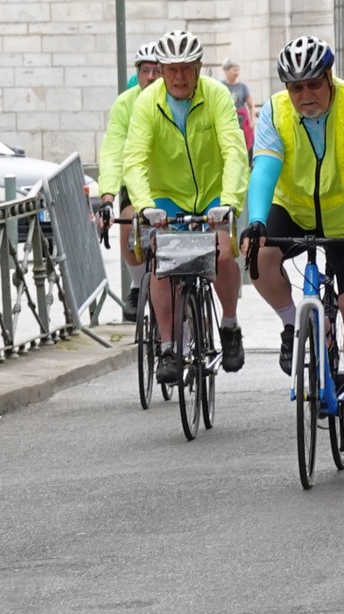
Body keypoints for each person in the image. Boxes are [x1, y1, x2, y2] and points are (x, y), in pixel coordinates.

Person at [239, 36, 344, 450]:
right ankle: (293, 325)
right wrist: (255, 220)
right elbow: (264, 167)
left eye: (313, 84)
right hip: (296, 206)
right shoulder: (274, 110)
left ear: (329, 77)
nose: (305, 95)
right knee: (258, 254)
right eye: (295, 87)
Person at [122, 29, 249, 381]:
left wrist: (229, 201)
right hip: (166, 196)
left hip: (213, 193)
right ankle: (168, 348)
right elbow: (134, 158)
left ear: (199, 68)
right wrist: (145, 205)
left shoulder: (217, 95)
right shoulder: (147, 103)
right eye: (171, 69)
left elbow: (234, 151)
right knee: (162, 263)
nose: (179, 77)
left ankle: (229, 324)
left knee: (222, 253)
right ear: (161, 71)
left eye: (186, 69)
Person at [96, 42, 162, 322]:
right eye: (145, 71)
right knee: (129, 224)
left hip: (172, 181)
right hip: (136, 179)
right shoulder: (125, 103)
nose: (150, 77)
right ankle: (137, 284)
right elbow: (113, 150)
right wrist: (107, 198)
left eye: (157, 71)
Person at [221, 58, 255, 153]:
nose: (237, 72)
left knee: (244, 147)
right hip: (227, 121)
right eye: (234, 70)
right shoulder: (220, 86)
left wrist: (252, 122)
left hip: (242, 122)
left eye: (238, 70)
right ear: (226, 71)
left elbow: (251, 105)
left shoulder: (243, 87)